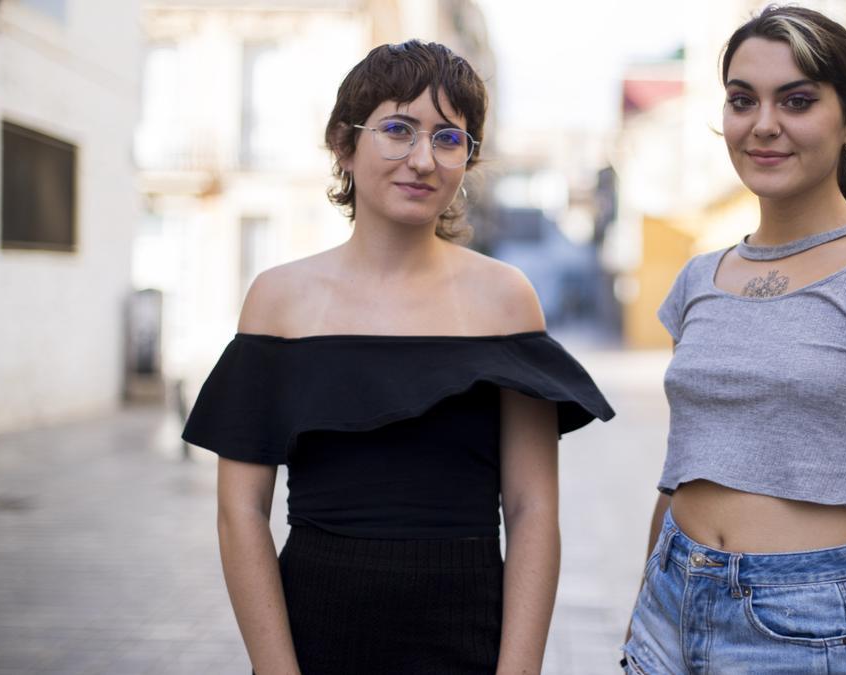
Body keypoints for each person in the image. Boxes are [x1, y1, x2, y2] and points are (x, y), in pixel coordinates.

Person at [182, 40, 614, 674]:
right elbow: (240, 511)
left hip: (468, 640)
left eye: (448, 139)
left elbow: (531, 511)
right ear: (343, 145)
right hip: (314, 638)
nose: (422, 160)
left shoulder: (505, 299)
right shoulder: (279, 300)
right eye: (397, 129)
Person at [622, 6, 846, 674]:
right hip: (669, 597)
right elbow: (681, 466)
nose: (764, 124)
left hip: (807, 618)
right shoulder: (698, 278)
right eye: (743, 100)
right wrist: (644, 605)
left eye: (797, 100)